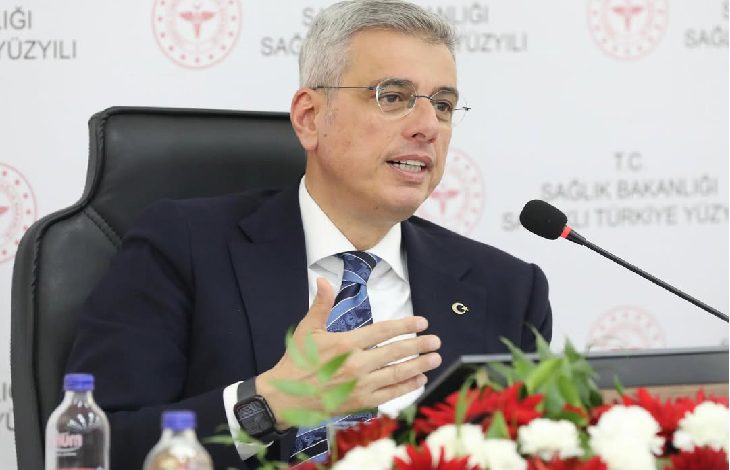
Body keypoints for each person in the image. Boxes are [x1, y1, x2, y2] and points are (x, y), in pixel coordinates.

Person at [65, 1, 552, 468]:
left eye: (443, 105)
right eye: (393, 97)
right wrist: (270, 403)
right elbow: (94, 447)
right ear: (310, 118)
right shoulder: (183, 247)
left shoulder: (507, 290)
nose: (428, 126)